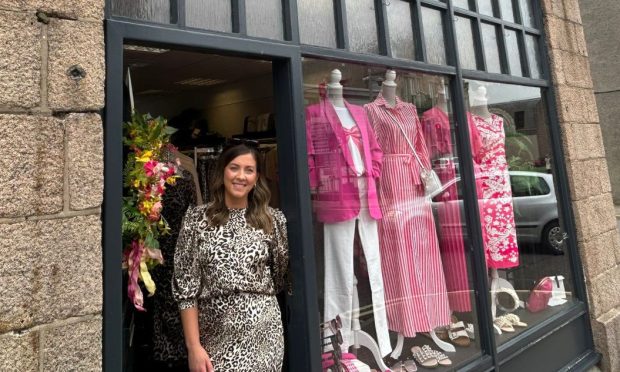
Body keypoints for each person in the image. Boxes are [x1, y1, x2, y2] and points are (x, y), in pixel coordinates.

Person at [173, 143, 289, 372]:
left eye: (249, 170)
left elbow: (280, 275)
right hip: (215, 337)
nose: (241, 176)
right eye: (234, 168)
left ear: (256, 177)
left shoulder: (272, 220)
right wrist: (193, 346)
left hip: (265, 337)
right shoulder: (196, 220)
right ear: (222, 172)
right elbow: (185, 289)